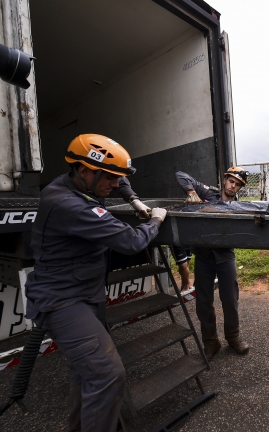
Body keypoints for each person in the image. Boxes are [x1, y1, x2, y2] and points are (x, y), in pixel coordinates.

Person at [24, 134, 167, 432]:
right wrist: (154, 220)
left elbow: (122, 181)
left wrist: (134, 200)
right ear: (84, 170)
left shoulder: (78, 184)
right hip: (63, 300)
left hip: (87, 293)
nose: (114, 185)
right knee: (106, 375)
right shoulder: (69, 204)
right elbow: (130, 241)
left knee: (85, 373)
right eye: (109, 178)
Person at [175, 167, 250, 359]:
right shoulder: (208, 193)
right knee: (203, 302)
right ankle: (211, 343)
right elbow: (181, 174)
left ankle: (233, 338)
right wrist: (192, 193)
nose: (234, 186)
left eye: (238, 184)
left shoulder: (239, 207)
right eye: (232, 181)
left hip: (225, 257)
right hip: (203, 256)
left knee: (230, 300)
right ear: (225, 179)